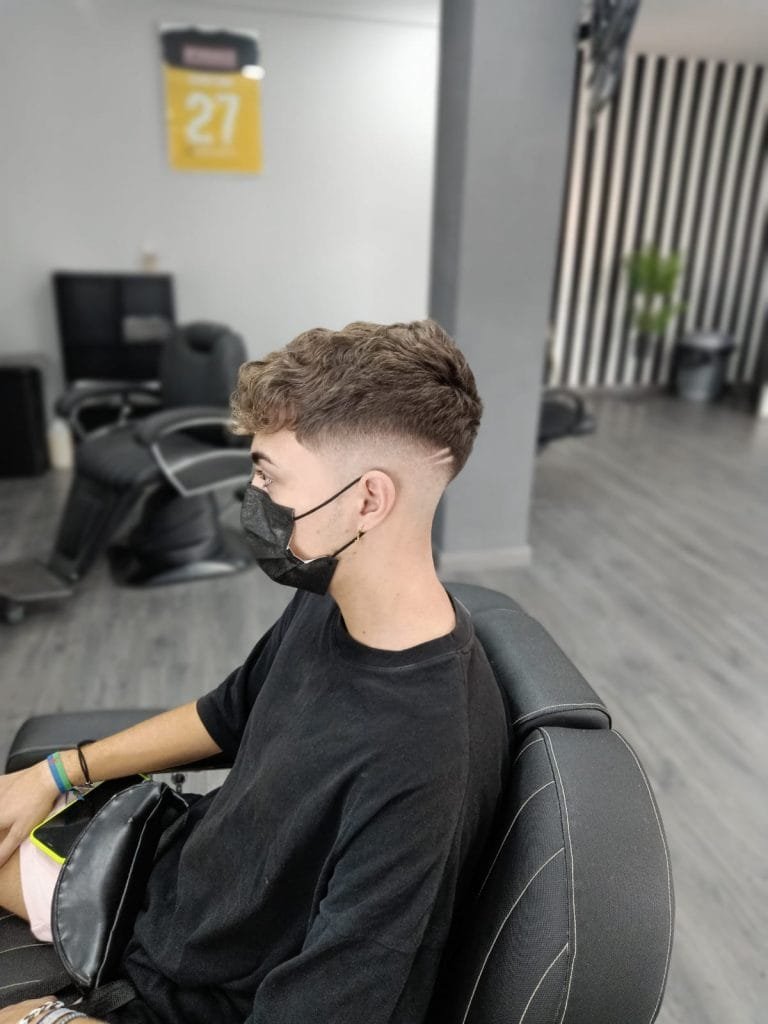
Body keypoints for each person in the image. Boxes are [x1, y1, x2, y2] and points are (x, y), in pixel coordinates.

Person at [0, 320, 509, 1024]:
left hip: (188, 995)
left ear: (368, 500)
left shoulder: (422, 761)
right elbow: (227, 715)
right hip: (156, 879)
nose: (252, 497)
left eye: (269, 476)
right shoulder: (332, 596)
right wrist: (56, 773)